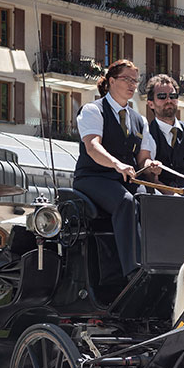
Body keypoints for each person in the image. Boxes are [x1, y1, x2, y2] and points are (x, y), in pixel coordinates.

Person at [73, 59, 162, 275]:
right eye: (127, 79)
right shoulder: (93, 110)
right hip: (93, 178)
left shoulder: (140, 120)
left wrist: (150, 164)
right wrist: (117, 164)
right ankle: (134, 270)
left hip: (124, 179)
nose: (133, 85)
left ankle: (162, 265)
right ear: (112, 81)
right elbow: (93, 147)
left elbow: (142, 159)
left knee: (156, 202)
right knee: (126, 202)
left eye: (135, 81)